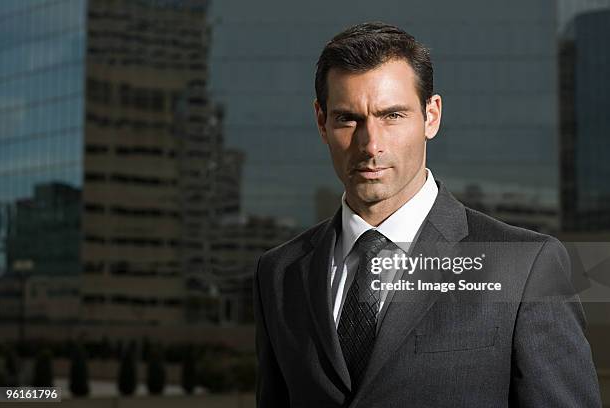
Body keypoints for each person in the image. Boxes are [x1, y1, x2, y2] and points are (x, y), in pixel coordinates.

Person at [253, 22, 601, 407]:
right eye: (348, 119)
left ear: (431, 116)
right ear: (322, 121)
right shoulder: (279, 273)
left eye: (393, 116)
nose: (371, 145)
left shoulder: (523, 267)